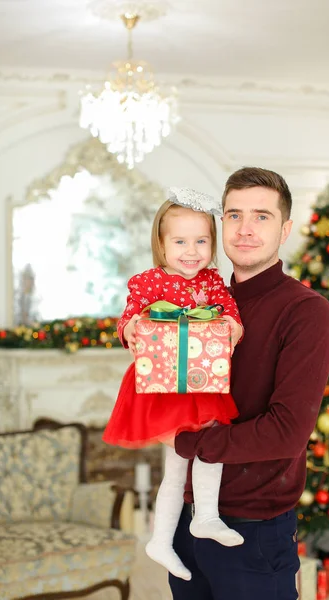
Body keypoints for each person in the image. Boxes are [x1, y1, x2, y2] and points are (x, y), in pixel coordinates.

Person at [166, 168, 329, 600]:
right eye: (234, 215)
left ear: (285, 230)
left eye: (261, 216)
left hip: (252, 532)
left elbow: (287, 432)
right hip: (187, 520)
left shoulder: (306, 311)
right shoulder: (199, 303)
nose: (245, 230)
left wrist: (187, 442)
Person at [103, 188, 244, 582]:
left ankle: (203, 517)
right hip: (164, 387)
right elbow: (129, 317)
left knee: (210, 448)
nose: (191, 251)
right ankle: (166, 538)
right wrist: (131, 326)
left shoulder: (213, 282)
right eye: (180, 241)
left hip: (201, 381)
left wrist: (232, 327)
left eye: (201, 241)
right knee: (177, 463)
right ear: (161, 244)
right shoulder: (148, 282)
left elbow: (230, 313)